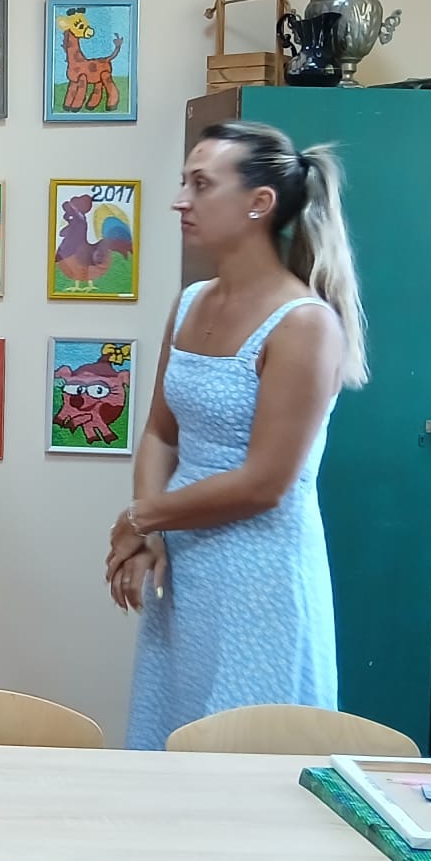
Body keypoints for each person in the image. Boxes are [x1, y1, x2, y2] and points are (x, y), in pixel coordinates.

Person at [106, 121, 369, 751]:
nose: (181, 201)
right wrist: (151, 533)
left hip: (262, 578)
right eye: (184, 183)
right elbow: (161, 433)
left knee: (248, 754)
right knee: (177, 739)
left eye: (201, 185)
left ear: (259, 202)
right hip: (184, 563)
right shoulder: (191, 301)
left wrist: (143, 517)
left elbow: (264, 484)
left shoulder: (304, 324)